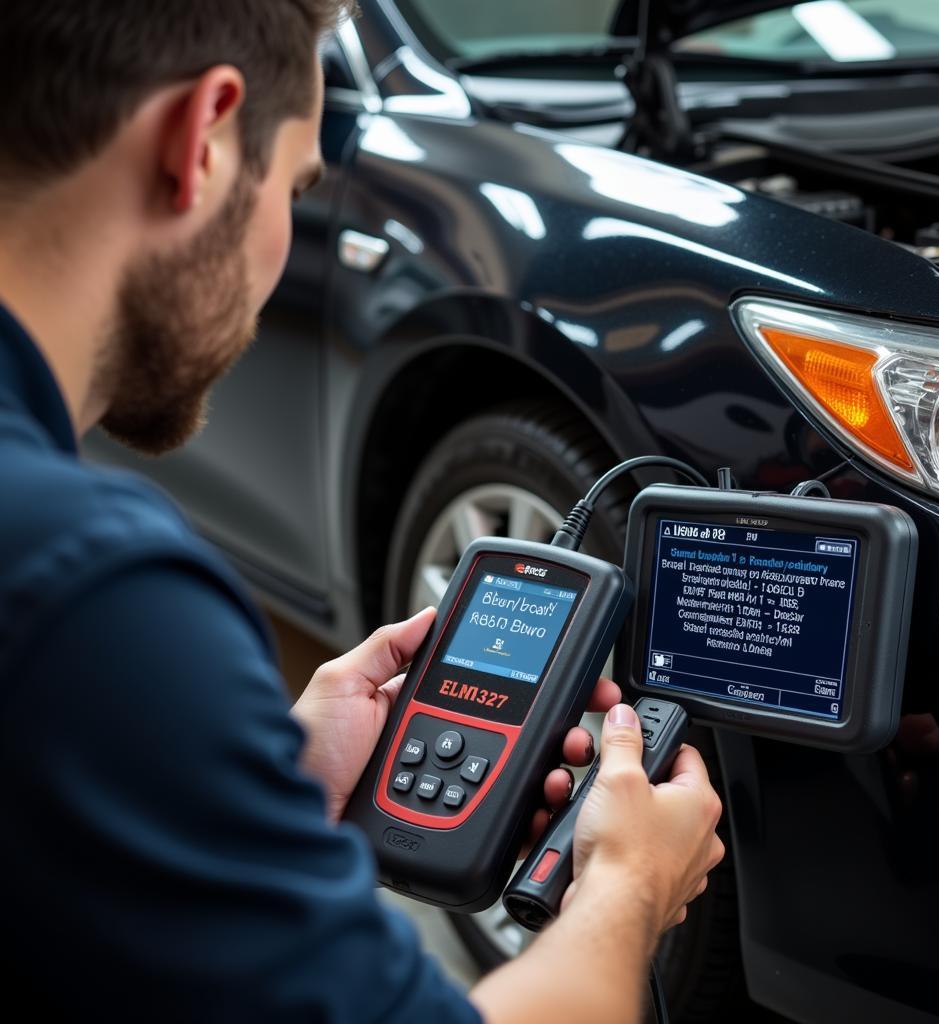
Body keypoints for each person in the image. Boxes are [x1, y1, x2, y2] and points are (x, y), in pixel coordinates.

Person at [0, 1, 725, 1021]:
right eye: (296, 184)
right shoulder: (94, 589)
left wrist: (256, 780)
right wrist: (628, 885)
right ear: (201, 139)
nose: (283, 233)